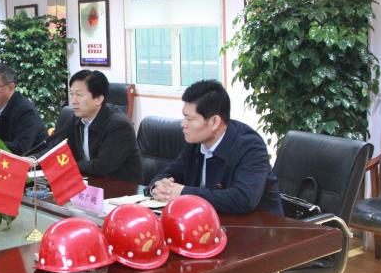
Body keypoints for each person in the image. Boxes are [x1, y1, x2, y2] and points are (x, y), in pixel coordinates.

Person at [146, 79, 282, 215]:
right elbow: (167, 173)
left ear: (214, 122)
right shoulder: (196, 142)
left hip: (259, 224)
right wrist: (157, 187)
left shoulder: (250, 146)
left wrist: (184, 192)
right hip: (209, 220)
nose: (183, 124)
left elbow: (243, 199)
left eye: (189, 119)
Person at [49, 70, 142, 183]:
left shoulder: (119, 125)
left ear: (98, 99)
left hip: (120, 188)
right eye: (72, 94)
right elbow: (55, 147)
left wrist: (69, 165)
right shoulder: (75, 118)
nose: (73, 101)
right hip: (88, 183)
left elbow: (102, 167)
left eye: (79, 95)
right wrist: (34, 160)